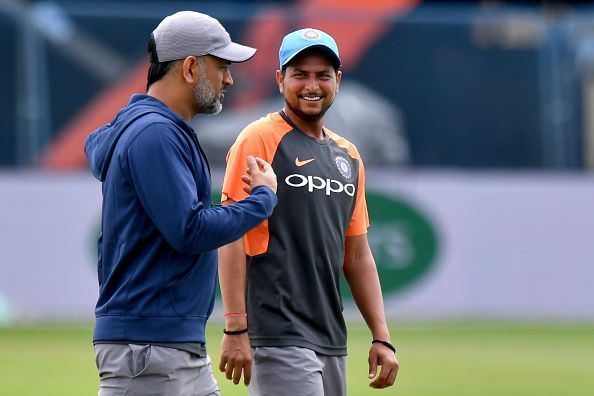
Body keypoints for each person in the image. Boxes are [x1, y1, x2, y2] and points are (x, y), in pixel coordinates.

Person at [84, 11, 278, 396]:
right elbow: (190, 230)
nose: (229, 78)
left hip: (167, 347)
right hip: (150, 351)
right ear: (190, 68)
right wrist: (261, 199)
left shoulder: (150, 126)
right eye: (221, 65)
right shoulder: (155, 133)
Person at [218, 28, 399, 395]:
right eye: (300, 74)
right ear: (280, 79)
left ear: (338, 81)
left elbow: (358, 254)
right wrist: (235, 327)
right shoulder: (260, 137)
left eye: (322, 75)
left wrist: (382, 336)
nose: (312, 85)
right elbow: (231, 234)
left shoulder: (348, 156)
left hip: (331, 336)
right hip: (277, 331)